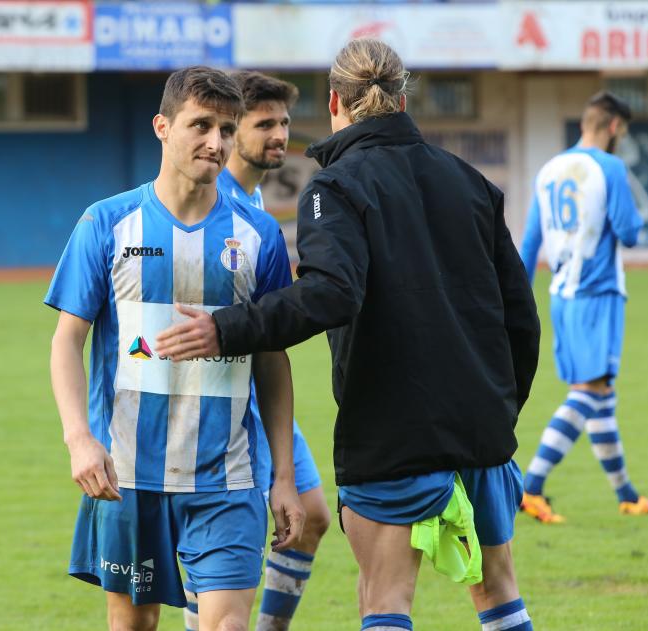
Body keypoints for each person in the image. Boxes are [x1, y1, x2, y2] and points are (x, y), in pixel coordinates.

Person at [155, 39, 541, 631]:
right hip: (483, 433)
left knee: (385, 599)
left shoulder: (335, 188)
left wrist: (225, 328)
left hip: (393, 436)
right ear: (403, 98)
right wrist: (500, 408)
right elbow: (521, 314)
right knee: (499, 594)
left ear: (335, 102)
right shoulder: (470, 182)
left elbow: (332, 294)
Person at [46, 66, 304, 631]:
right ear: (164, 127)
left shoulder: (258, 235)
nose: (216, 142)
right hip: (127, 474)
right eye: (201, 125)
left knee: (228, 625)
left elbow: (272, 360)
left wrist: (283, 475)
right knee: (133, 625)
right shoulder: (106, 223)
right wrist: (79, 441)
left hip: (227, 476)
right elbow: (67, 340)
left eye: (227, 129)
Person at [182, 71, 331, 631]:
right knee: (214, 570)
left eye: (285, 123)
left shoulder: (254, 204)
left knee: (311, 517)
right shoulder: (210, 201)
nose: (279, 135)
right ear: (229, 130)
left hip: (260, 395)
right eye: (264, 123)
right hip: (217, 407)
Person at [518, 91, 648, 524]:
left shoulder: (549, 170)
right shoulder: (612, 167)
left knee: (602, 396)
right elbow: (630, 232)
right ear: (615, 127)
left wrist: (519, 302)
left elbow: (529, 245)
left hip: (562, 295)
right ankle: (532, 488)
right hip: (598, 294)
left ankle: (627, 495)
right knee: (588, 393)